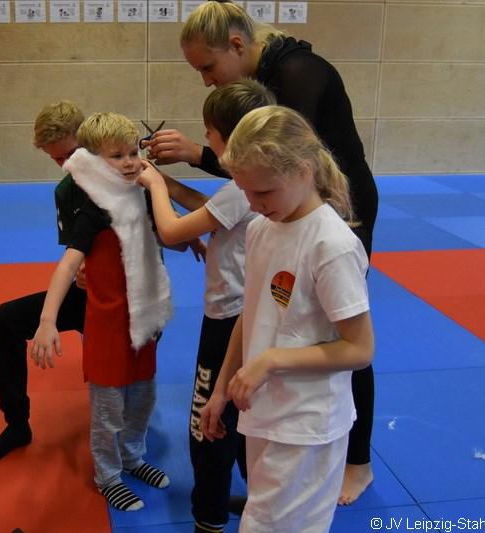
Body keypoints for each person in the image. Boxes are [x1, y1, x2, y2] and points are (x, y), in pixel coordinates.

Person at [145, 0, 379, 504]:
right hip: (292, 209)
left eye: (208, 66)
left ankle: (356, 459)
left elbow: (271, 165)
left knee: (338, 320)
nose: (206, 81)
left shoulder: (297, 75)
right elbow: (256, 180)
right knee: (281, 311)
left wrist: (270, 359)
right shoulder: (260, 212)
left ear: (236, 44)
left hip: (343, 207)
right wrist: (231, 382)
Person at [200, 105, 375, 532]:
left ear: (303, 171)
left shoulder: (330, 246)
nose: (253, 205)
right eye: (245, 192)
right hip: (265, 410)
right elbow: (252, 313)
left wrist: (272, 360)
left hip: (307, 423)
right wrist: (220, 390)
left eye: (264, 192)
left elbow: (360, 349)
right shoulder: (261, 228)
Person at [138, 79, 275, 533]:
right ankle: (259, 499)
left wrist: (153, 184)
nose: (205, 139)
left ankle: (209, 518)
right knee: (244, 411)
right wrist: (167, 183)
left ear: (226, 137)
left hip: (230, 318)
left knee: (208, 421)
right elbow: (212, 209)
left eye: (209, 132)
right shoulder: (250, 184)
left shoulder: (240, 189)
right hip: (253, 314)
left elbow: (173, 231)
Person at [31, 112, 173, 512]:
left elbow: (164, 233)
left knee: (142, 399)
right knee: (109, 410)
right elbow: (67, 266)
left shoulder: (143, 196)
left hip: (144, 323)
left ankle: (132, 457)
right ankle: (108, 476)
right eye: (117, 156)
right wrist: (47, 320)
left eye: (133, 153)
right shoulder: (92, 211)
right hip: (108, 329)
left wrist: (190, 243)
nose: (129, 163)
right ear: (94, 162)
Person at [0, 101, 88, 466]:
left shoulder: (123, 172)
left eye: (70, 154)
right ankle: (16, 424)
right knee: (6, 318)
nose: (66, 164)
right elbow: (74, 254)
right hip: (88, 293)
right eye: (57, 159)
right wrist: (49, 317)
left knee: (116, 386)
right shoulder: (67, 190)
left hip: (130, 297)